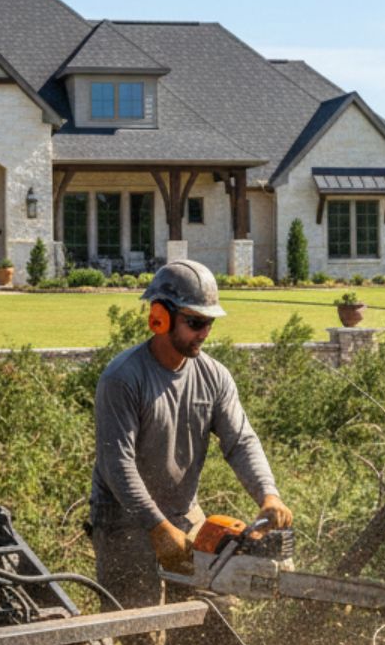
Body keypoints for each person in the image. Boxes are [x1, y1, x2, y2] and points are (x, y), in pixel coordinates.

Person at [88, 260, 293, 617]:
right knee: (141, 631)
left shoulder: (214, 376)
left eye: (208, 323)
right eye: (195, 322)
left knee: (214, 612)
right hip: (124, 523)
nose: (203, 333)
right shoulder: (123, 378)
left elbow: (240, 441)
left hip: (183, 514)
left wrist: (268, 494)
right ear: (159, 317)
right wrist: (156, 526)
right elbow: (115, 464)